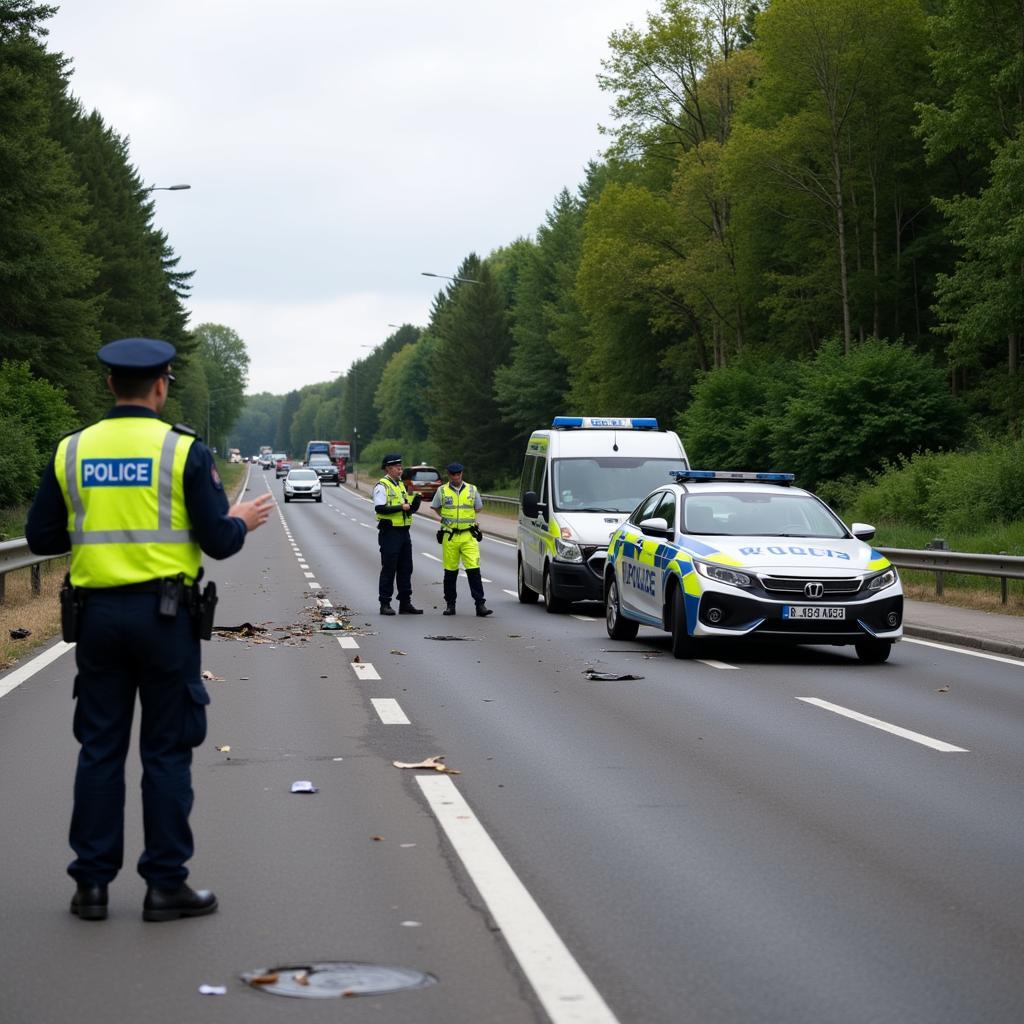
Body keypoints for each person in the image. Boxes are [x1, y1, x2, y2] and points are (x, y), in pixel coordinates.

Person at [25, 338, 273, 923]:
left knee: (100, 751)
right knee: (165, 752)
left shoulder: (72, 450)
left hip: (97, 620)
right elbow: (217, 540)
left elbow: (40, 539)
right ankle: (165, 886)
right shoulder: (181, 451)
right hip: (166, 621)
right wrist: (239, 520)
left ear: (111, 385)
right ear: (161, 385)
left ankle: (90, 887)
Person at [431, 462, 492, 617]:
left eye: (458, 474)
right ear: (449, 475)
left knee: (474, 570)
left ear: (462, 474)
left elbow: (478, 508)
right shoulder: (442, 490)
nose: (456, 477)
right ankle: (450, 605)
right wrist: (445, 519)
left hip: (468, 535)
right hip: (450, 536)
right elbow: (436, 507)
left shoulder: (472, 489)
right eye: (453, 474)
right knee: (450, 572)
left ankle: (480, 605)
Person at [373, 453, 422, 615]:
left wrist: (416, 502)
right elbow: (380, 508)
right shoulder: (382, 486)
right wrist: (401, 508)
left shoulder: (400, 485)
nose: (400, 470)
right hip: (390, 532)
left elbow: (408, 508)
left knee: (406, 568)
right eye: (396, 467)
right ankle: (385, 603)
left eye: (400, 467)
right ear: (388, 468)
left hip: (404, 532)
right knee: (389, 568)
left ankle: (405, 603)